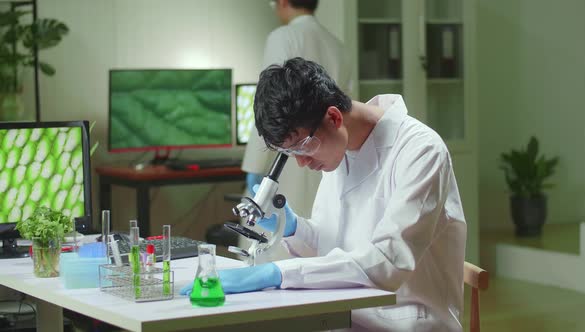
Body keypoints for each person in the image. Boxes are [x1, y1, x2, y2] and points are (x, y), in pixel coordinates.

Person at [182, 58, 467, 331]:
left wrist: (278, 273)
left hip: (408, 323)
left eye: (303, 146)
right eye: (291, 153)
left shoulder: (421, 151)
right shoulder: (338, 152)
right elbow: (332, 249)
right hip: (342, 318)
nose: (302, 162)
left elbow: (387, 263)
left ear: (333, 117)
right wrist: (292, 228)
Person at [242, 0, 353, 219]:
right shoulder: (338, 46)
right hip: (329, 159)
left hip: (288, 157)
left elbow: (269, 106)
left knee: (276, 235)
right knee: (319, 231)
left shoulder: (284, 36)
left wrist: (254, 166)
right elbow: (348, 105)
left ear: (282, 2)